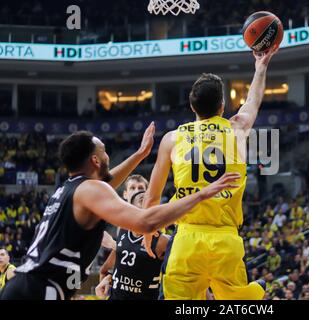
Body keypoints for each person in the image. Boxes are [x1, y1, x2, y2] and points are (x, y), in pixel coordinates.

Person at [0, 126, 239, 300]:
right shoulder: (89, 190)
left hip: (26, 285)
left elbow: (107, 181)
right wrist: (201, 194)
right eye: (104, 152)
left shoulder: (69, 188)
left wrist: (139, 155)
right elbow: (146, 222)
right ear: (95, 159)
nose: (107, 155)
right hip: (39, 289)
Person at [142, 46, 279, 300]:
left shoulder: (172, 139)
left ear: (192, 107)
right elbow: (252, 102)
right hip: (224, 241)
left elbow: (151, 198)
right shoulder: (237, 130)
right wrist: (261, 67)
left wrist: (149, 231)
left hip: (186, 241)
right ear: (222, 105)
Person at [95, 177, 170, 300]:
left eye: (141, 190)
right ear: (125, 195)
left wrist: (114, 244)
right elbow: (108, 269)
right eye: (133, 188)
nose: (137, 192)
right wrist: (108, 279)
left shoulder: (160, 236)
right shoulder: (122, 228)